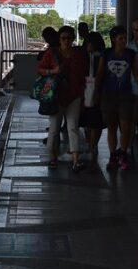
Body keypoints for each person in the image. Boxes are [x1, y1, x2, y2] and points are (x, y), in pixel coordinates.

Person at [38, 26, 87, 171]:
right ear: (59, 39)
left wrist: (84, 97)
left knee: (73, 128)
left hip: (74, 96)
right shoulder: (51, 53)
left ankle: (76, 160)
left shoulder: (79, 55)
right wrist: (52, 71)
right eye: (63, 38)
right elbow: (39, 69)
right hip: (56, 97)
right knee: (54, 129)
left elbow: (83, 77)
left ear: (73, 39)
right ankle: (53, 157)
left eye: (69, 38)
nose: (66, 41)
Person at [95, 25, 138, 171]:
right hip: (108, 95)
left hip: (126, 94)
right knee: (112, 126)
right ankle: (113, 154)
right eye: (120, 38)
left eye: (125, 38)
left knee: (125, 126)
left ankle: (123, 153)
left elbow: (136, 74)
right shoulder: (106, 54)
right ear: (113, 40)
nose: (124, 41)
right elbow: (100, 74)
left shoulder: (131, 54)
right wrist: (96, 92)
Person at [80, 31, 105, 159]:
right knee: (96, 122)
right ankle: (92, 146)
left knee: (90, 122)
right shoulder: (102, 56)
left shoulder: (88, 56)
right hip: (98, 92)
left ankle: (91, 146)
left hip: (90, 92)